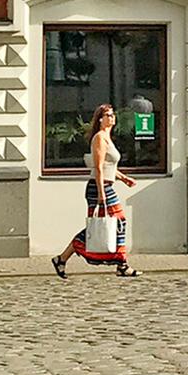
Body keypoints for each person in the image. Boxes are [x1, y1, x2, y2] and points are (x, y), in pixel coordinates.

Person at [52, 103, 140, 278]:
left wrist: (124, 178)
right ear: (100, 119)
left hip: (106, 185)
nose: (112, 117)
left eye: (113, 114)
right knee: (106, 223)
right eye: (108, 115)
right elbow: (99, 168)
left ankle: (62, 259)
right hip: (98, 187)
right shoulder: (99, 138)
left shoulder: (107, 137)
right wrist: (101, 195)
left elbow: (109, 167)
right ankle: (121, 265)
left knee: (111, 223)